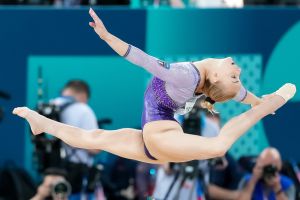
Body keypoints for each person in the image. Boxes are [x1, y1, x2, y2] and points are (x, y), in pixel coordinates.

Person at [13, 8, 296, 165]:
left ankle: (275, 102)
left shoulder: (187, 76)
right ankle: (40, 123)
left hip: (160, 138)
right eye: (237, 74)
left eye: (235, 76)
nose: (238, 69)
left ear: (218, 80)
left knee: (219, 146)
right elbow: (242, 94)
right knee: (92, 138)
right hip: (155, 141)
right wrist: (255, 100)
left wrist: (107, 37)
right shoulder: (198, 80)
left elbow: (143, 60)